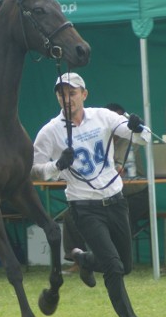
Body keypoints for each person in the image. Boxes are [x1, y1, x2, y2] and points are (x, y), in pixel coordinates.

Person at [31, 72, 149, 317]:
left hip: (116, 201)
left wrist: (137, 127)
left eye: (73, 93)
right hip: (84, 206)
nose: (67, 98)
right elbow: (33, 172)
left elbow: (143, 139)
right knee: (114, 267)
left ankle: (84, 259)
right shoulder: (50, 131)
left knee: (125, 265)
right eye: (62, 94)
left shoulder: (103, 117)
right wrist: (57, 166)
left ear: (84, 94)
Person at [62, 102, 148, 266]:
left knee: (117, 214)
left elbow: (119, 167)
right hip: (101, 194)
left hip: (135, 193)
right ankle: (78, 259)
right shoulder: (94, 138)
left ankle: (111, 260)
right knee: (72, 212)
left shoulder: (128, 138)